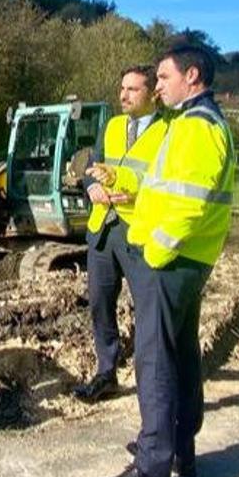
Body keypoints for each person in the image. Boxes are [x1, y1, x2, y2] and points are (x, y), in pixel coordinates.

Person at [92, 39, 235, 477]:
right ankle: (180, 448)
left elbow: (190, 205)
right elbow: (166, 188)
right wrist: (120, 181)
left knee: (154, 359)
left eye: (164, 78)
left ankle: (152, 463)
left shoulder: (198, 128)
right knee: (180, 352)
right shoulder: (195, 123)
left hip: (172, 261)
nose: (159, 86)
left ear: (192, 77)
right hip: (184, 260)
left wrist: (155, 250)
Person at [73, 65, 165, 403]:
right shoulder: (111, 127)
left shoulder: (167, 132)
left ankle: (151, 383)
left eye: (132, 89)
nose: (123, 95)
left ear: (153, 93)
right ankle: (106, 372)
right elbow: (89, 167)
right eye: (122, 88)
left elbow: (170, 183)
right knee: (100, 305)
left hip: (139, 233)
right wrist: (92, 185)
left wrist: (140, 195)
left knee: (148, 311)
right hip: (103, 232)